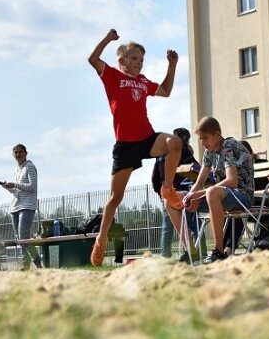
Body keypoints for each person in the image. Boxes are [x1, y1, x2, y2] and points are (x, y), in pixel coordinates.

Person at [88, 28, 185, 266]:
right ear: (121, 60)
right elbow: (93, 59)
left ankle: (168, 188)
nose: (138, 63)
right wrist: (108, 39)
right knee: (115, 198)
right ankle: (100, 240)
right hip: (125, 147)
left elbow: (165, 91)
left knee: (175, 143)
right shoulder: (111, 75)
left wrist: (171, 65)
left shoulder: (142, 82)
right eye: (133, 59)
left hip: (147, 139)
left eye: (141, 60)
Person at [179, 117, 254, 263]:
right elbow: (199, 183)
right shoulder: (209, 152)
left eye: (205, 138)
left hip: (242, 196)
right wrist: (189, 196)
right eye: (200, 139)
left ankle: (218, 251)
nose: (202, 143)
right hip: (221, 197)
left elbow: (232, 181)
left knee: (211, 192)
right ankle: (191, 251)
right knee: (176, 198)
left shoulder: (227, 145)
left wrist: (201, 193)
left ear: (217, 135)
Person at [151, 127, 208, 262]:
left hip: (171, 193)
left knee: (168, 227)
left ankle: (167, 256)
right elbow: (198, 171)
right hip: (180, 192)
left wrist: (159, 191)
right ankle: (201, 250)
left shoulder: (163, 153)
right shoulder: (186, 153)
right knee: (193, 222)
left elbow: (154, 177)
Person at [223, 140, 269, 256]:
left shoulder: (264, 164)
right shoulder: (237, 170)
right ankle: (223, 249)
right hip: (254, 204)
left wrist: (257, 192)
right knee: (234, 207)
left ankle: (228, 249)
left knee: (241, 207)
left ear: (250, 154)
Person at [0, 143, 41, 269]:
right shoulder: (16, 170)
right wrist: (8, 188)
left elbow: (32, 187)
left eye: (20, 152)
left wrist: (15, 184)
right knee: (21, 239)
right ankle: (26, 266)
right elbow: (17, 192)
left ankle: (38, 264)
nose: (18, 154)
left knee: (24, 237)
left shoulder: (30, 167)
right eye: (15, 152)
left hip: (27, 206)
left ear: (26, 153)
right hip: (15, 207)